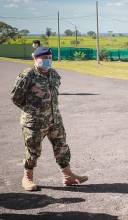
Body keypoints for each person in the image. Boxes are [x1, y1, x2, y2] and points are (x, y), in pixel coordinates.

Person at [11, 47, 88, 191]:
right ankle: (27, 177)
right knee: (33, 150)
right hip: (34, 122)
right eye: (44, 58)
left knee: (62, 147)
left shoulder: (53, 74)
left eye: (49, 58)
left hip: (54, 119)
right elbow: (16, 97)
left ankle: (68, 175)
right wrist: (32, 112)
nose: (47, 61)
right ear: (35, 58)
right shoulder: (28, 75)